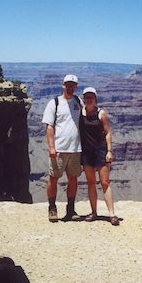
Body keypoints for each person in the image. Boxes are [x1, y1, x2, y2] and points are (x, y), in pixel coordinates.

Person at [42, 74, 82, 222]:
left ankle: (70, 209)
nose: (70, 87)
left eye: (73, 85)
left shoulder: (79, 102)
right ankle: (52, 208)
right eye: (67, 85)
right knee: (53, 179)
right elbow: (49, 126)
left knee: (73, 179)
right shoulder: (54, 103)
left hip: (76, 149)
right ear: (63, 85)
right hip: (59, 149)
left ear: (76, 87)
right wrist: (51, 147)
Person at [79, 87, 120, 226]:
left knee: (104, 182)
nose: (89, 99)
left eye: (91, 96)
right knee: (91, 183)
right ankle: (94, 212)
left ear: (95, 98)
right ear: (83, 98)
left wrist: (109, 151)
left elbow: (108, 132)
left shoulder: (101, 113)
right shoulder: (80, 112)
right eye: (86, 96)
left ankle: (112, 214)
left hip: (100, 151)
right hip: (86, 152)